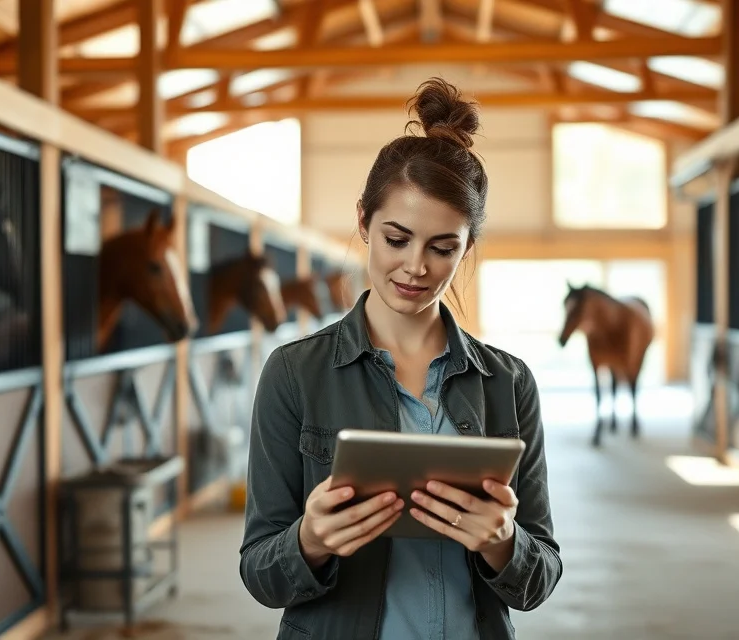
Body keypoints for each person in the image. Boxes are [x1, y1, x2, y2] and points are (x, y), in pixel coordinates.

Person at [239, 77, 562, 640]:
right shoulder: (294, 373)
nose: (416, 266)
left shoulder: (509, 382)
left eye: (443, 248)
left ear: (466, 248)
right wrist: (309, 540)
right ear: (363, 222)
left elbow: (540, 579)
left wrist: (503, 542)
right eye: (397, 239)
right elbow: (261, 575)